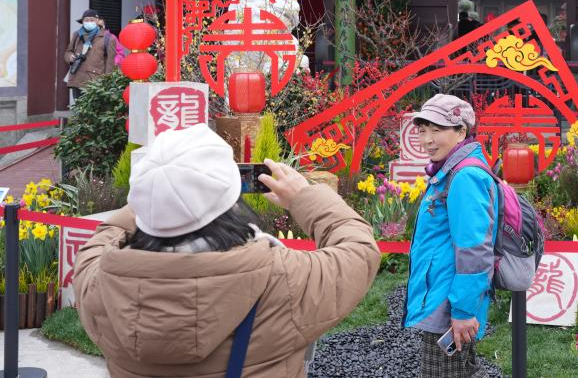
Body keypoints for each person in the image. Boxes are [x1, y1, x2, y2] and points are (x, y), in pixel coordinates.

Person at [73, 123, 381, 377]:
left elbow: (103, 237)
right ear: (230, 199)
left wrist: (160, 195)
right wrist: (304, 197)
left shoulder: (98, 285)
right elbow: (359, 249)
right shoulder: (284, 280)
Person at [404, 94, 495, 378]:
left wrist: (463, 311)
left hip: (450, 305)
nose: (427, 140)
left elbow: (474, 250)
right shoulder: (449, 172)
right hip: (444, 298)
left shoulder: (465, 177)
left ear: (461, 131)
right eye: (423, 131)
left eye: (437, 130)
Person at [63, 9, 119, 101]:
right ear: (82, 22)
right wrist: (70, 57)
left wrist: (107, 83)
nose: (89, 22)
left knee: (94, 109)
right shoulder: (77, 35)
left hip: (95, 82)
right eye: (86, 20)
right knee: (78, 108)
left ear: (98, 21)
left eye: (92, 20)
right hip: (77, 79)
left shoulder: (108, 38)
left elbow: (110, 64)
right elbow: (68, 52)